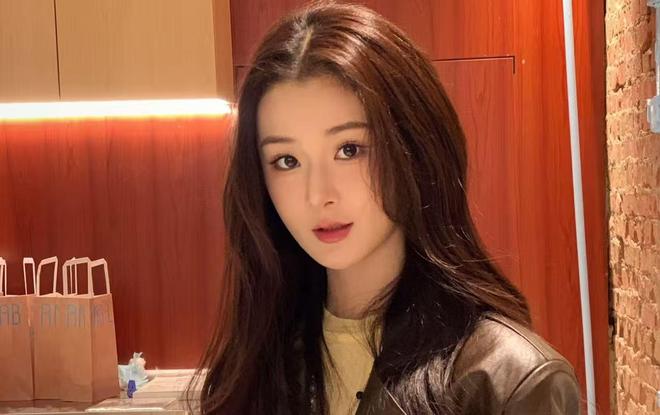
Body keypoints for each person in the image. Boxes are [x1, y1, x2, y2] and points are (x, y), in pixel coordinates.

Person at [191, 1, 582, 413]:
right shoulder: (255, 362)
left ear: (414, 149)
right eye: (287, 161)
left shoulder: (507, 379)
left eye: (349, 149)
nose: (317, 194)